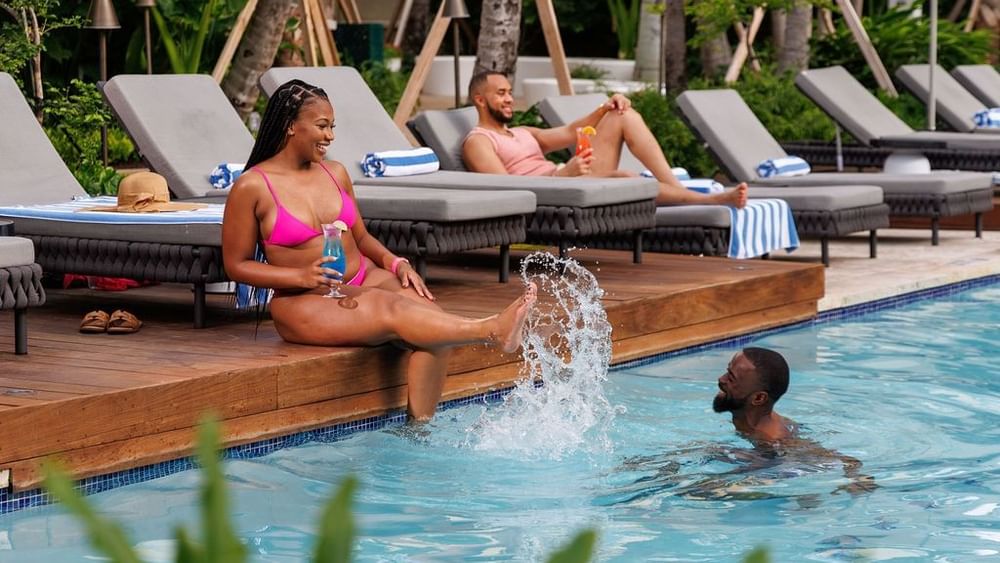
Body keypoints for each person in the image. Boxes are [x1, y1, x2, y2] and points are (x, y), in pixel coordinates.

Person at [222, 79, 537, 421]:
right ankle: (489, 330)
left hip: (364, 276)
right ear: (290, 126)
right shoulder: (252, 186)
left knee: (431, 319)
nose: (330, 136)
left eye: (332, 126)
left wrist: (396, 263)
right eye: (322, 126)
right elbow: (235, 265)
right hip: (303, 299)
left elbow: (360, 237)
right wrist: (298, 274)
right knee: (392, 307)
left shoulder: (336, 172)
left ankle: (418, 431)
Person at [461, 71, 748, 208]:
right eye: (501, 93)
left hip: (568, 179)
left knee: (624, 115)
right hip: (553, 194)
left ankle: (678, 190)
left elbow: (572, 130)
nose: (510, 98)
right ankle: (708, 200)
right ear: (480, 100)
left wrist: (607, 105)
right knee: (624, 176)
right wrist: (563, 176)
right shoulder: (479, 141)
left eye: (510, 91)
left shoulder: (524, 132)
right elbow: (505, 190)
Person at [713, 347, 795, 442]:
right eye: (728, 371)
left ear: (758, 398)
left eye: (731, 379)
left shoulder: (769, 443)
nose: (721, 379)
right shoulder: (754, 418)